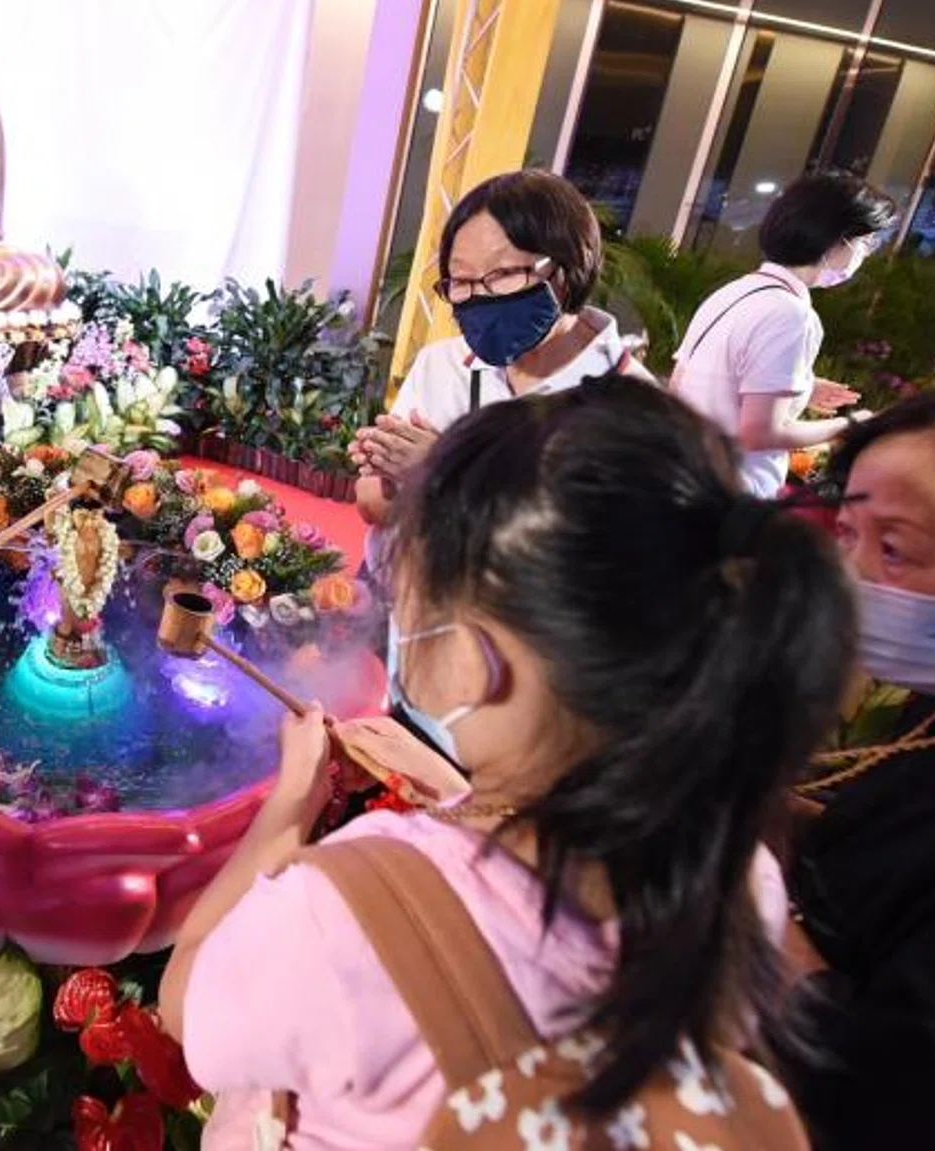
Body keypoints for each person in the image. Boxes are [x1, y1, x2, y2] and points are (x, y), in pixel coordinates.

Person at [163, 376, 854, 1148]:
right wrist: (459, 795)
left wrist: (287, 808)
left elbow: (186, 1007)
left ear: (472, 659)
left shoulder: (349, 906)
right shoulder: (736, 869)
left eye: (410, 594)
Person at [783, 375, 935, 1149]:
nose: (850, 578)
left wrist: (765, 952)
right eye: (849, 535)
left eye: (897, 548)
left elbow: (919, 1107)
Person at [349, 170, 650, 575]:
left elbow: (591, 564)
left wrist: (444, 470)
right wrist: (389, 477)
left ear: (567, 266)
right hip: (398, 607)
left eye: (504, 274)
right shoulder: (442, 364)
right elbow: (371, 503)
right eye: (460, 280)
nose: (479, 296)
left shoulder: (635, 409)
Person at [670, 172, 896, 498]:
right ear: (838, 240)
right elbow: (761, 433)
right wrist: (853, 425)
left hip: (688, 475)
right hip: (734, 492)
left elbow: (687, 381)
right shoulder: (791, 314)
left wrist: (803, 384)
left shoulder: (735, 291)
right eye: (865, 243)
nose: (865, 254)